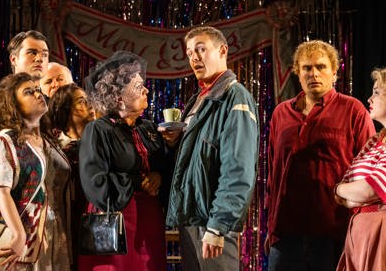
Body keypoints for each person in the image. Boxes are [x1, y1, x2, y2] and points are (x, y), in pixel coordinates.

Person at [265, 40, 376, 271]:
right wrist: (270, 229)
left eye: (321, 67)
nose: (313, 73)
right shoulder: (281, 113)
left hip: (333, 231)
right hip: (286, 231)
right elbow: (273, 175)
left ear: (334, 71)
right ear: (297, 72)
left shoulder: (353, 110)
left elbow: (370, 171)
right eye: (306, 68)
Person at [161, 26, 259, 270]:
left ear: (223, 50)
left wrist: (218, 225)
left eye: (201, 49)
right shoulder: (199, 100)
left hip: (213, 223)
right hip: (192, 222)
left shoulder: (234, 97)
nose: (194, 57)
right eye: (190, 52)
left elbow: (239, 168)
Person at [79, 51, 168, 271]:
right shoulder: (98, 130)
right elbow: (95, 183)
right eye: (138, 87)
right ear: (118, 97)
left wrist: (159, 176)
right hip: (116, 220)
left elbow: (166, 165)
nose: (146, 90)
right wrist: (137, 182)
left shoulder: (149, 129)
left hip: (150, 221)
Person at [0, 72, 71, 270]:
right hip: (21, 237)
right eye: (28, 92)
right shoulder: (7, 140)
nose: (37, 94)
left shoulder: (49, 142)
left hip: (50, 235)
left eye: (37, 90)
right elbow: (1, 190)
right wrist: (18, 234)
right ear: (13, 104)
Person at [334, 68, 386, 271]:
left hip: (380, 234)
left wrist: (338, 188)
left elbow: (368, 190)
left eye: (377, 92)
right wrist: (344, 190)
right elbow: (350, 191)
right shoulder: (375, 140)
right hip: (358, 232)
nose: (369, 98)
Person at [47, 82, 95, 270]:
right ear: (66, 110)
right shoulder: (54, 148)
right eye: (82, 101)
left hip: (93, 221)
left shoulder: (98, 143)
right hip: (64, 221)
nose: (90, 105)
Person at [0, 30, 50, 142]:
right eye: (32, 52)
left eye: (44, 54)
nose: (40, 59)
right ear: (14, 59)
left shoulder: (51, 105)